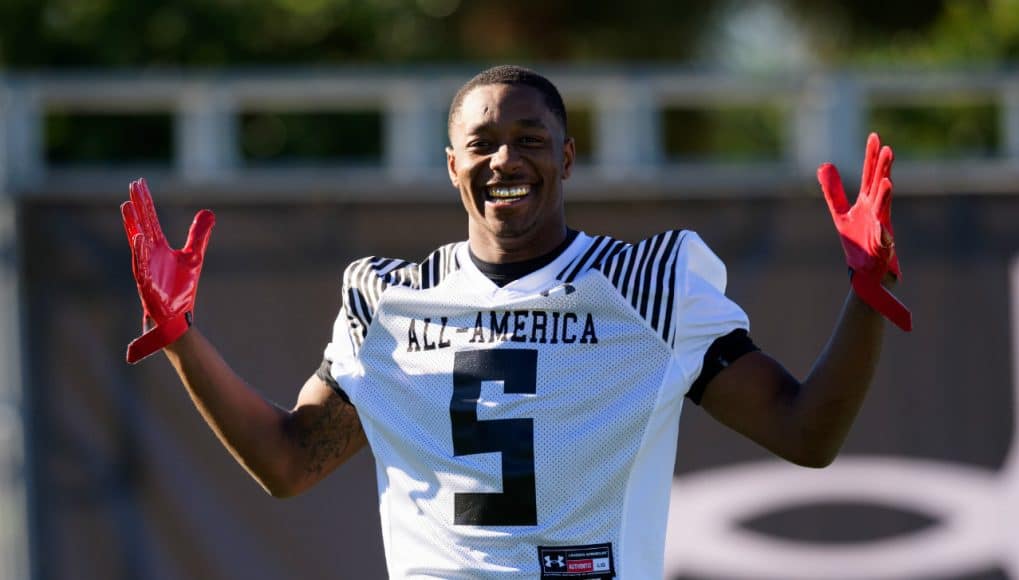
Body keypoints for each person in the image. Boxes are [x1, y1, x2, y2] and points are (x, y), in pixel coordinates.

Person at [120, 65, 911, 579]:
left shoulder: (648, 285)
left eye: (529, 140)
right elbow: (289, 464)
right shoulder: (387, 298)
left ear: (566, 159)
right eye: (482, 143)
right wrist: (182, 338)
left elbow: (806, 436)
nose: (505, 160)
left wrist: (865, 295)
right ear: (450, 166)